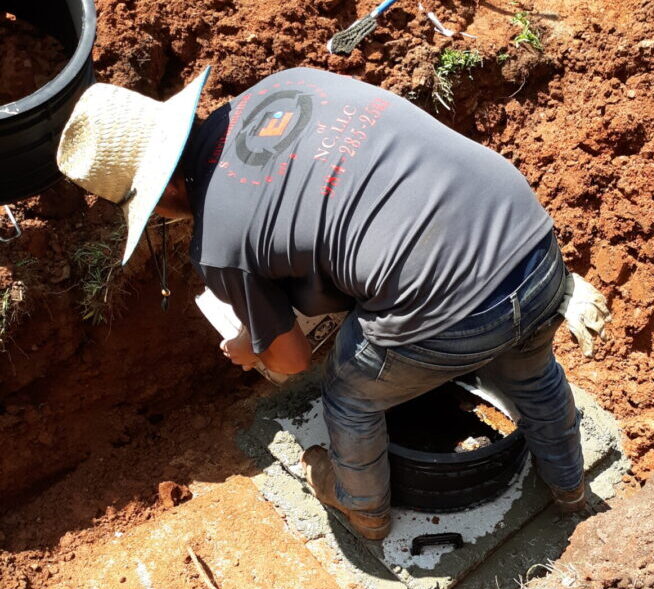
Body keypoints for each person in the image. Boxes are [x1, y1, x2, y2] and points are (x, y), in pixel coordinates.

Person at [57, 66, 609, 541]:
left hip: (455, 307)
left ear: (165, 190)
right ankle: (570, 490)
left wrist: (254, 352)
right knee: (530, 374)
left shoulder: (219, 245)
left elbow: (292, 360)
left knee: (349, 392)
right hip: (529, 241)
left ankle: (364, 509)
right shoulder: (286, 88)